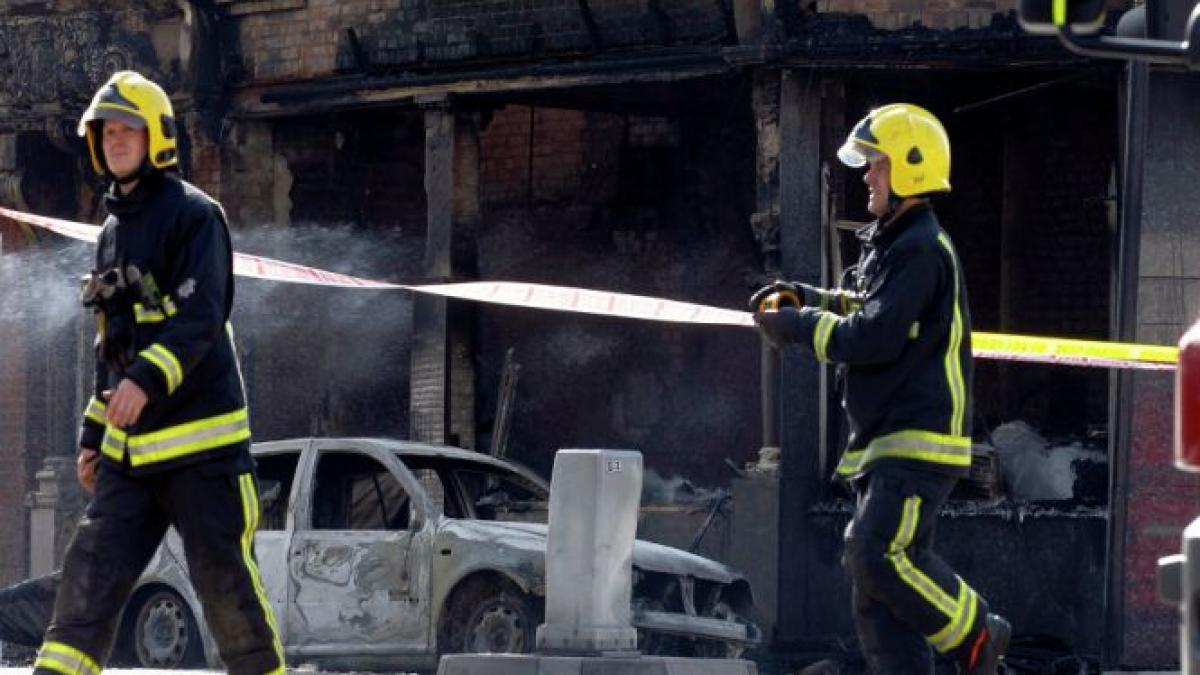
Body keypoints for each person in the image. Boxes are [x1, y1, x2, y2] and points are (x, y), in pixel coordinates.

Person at [33, 71, 283, 675]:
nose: (115, 140)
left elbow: (200, 316)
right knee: (89, 576)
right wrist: (94, 435)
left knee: (225, 591)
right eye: (106, 131)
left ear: (158, 137)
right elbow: (112, 349)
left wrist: (145, 379)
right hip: (132, 456)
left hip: (204, 450)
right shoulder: (112, 232)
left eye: (127, 129)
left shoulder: (197, 216)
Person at [750, 103, 1010, 674]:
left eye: (876, 164)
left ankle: (975, 632)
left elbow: (874, 336)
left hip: (918, 439)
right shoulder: (893, 243)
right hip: (886, 438)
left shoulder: (920, 247)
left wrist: (796, 328)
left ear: (911, 170)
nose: (866, 175)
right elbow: (863, 306)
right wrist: (802, 296)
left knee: (875, 553)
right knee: (875, 595)